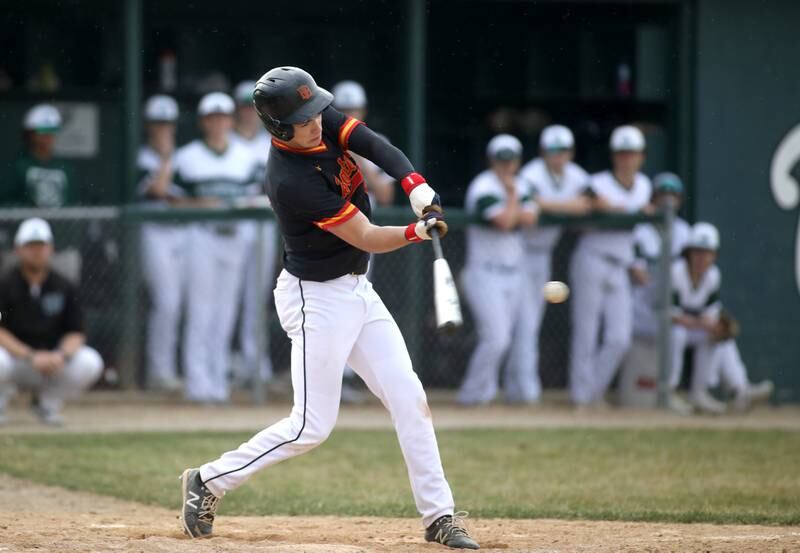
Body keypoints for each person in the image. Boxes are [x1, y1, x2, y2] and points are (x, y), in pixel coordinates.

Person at [178, 66, 479, 550]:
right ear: (279, 128)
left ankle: (439, 515)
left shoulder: (317, 117)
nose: (317, 121)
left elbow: (375, 145)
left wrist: (413, 183)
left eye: (316, 109)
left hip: (358, 289)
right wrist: (414, 232)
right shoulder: (290, 181)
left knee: (409, 396)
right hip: (315, 297)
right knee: (309, 426)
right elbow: (364, 235)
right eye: (303, 117)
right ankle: (208, 481)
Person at [175, 92, 260, 403]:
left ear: (231, 120)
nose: (218, 123)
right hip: (201, 237)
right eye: (212, 117)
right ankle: (197, 382)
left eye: (223, 117)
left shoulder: (246, 157)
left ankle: (217, 381)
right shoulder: (187, 156)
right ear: (203, 122)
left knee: (226, 312)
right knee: (200, 310)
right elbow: (170, 198)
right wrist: (203, 203)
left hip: (236, 238)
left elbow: (260, 195)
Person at [507, 124, 591, 403]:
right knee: (526, 323)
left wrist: (550, 204)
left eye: (563, 150)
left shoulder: (577, 175)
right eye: (553, 151)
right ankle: (526, 392)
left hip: (543, 254)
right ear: (543, 152)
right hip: (521, 251)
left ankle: (519, 389)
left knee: (530, 323)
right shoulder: (531, 173)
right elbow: (533, 204)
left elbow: (588, 205)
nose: (558, 156)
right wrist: (566, 205)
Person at [569, 125, 652, 407]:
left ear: (641, 156)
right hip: (592, 256)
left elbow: (639, 232)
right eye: (622, 153)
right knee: (586, 332)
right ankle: (582, 398)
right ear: (614, 156)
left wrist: (637, 261)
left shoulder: (644, 186)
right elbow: (579, 215)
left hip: (621, 264)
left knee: (620, 336)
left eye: (632, 154)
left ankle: (593, 391)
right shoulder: (597, 183)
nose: (626, 159)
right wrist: (602, 207)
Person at [457, 134, 538, 405]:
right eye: (501, 160)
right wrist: (514, 196)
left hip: (515, 272)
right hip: (484, 272)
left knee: (508, 336)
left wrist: (513, 204)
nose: (507, 165)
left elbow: (530, 217)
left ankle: (486, 393)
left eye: (511, 160)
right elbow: (505, 221)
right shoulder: (483, 185)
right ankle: (471, 394)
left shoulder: (523, 183)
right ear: (492, 160)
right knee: (497, 338)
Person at [0, 218, 103, 425]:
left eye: (41, 245)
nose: (37, 251)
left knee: (90, 361)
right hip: (16, 360)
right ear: (18, 249)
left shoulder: (63, 285)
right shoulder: (5, 284)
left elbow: (76, 331)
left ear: (51, 249)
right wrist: (30, 356)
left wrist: (61, 355)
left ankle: (47, 403)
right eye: (30, 246)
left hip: (50, 362)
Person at [670, 222, 773, 414]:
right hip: (660, 329)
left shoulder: (713, 276)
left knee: (720, 338)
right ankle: (669, 391)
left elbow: (710, 316)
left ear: (714, 255)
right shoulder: (676, 272)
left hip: (691, 328)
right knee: (677, 334)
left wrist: (715, 327)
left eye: (707, 253)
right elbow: (670, 316)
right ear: (689, 253)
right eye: (697, 252)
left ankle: (731, 390)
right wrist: (703, 324)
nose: (702, 258)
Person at [137, 94, 187, 392]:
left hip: (183, 234)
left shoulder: (185, 157)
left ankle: (172, 368)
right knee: (166, 302)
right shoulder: (141, 158)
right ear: (148, 126)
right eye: (158, 124)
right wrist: (167, 159)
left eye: (167, 124)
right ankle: (159, 370)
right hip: (152, 232)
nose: (163, 129)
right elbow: (158, 189)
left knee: (183, 303)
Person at [230, 80, 278, 391]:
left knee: (257, 298)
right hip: (230, 230)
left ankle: (256, 364)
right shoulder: (227, 141)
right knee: (224, 299)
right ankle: (228, 365)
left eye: (255, 107)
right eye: (246, 107)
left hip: (266, 226)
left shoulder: (273, 141)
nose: (251, 113)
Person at [331, 80, 395, 207]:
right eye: (342, 110)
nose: (348, 115)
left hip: (367, 219)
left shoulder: (378, 142)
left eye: (354, 110)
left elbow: (385, 198)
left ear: (363, 111)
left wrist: (357, 153)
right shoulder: (320, 141)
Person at [6, 104, 74, 207]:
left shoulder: (66, 168)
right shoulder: (17, 167)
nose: (48, 136)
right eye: (42, 131)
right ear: (30, 134)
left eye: (52, 131)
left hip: (59, 223)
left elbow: (73, 206)